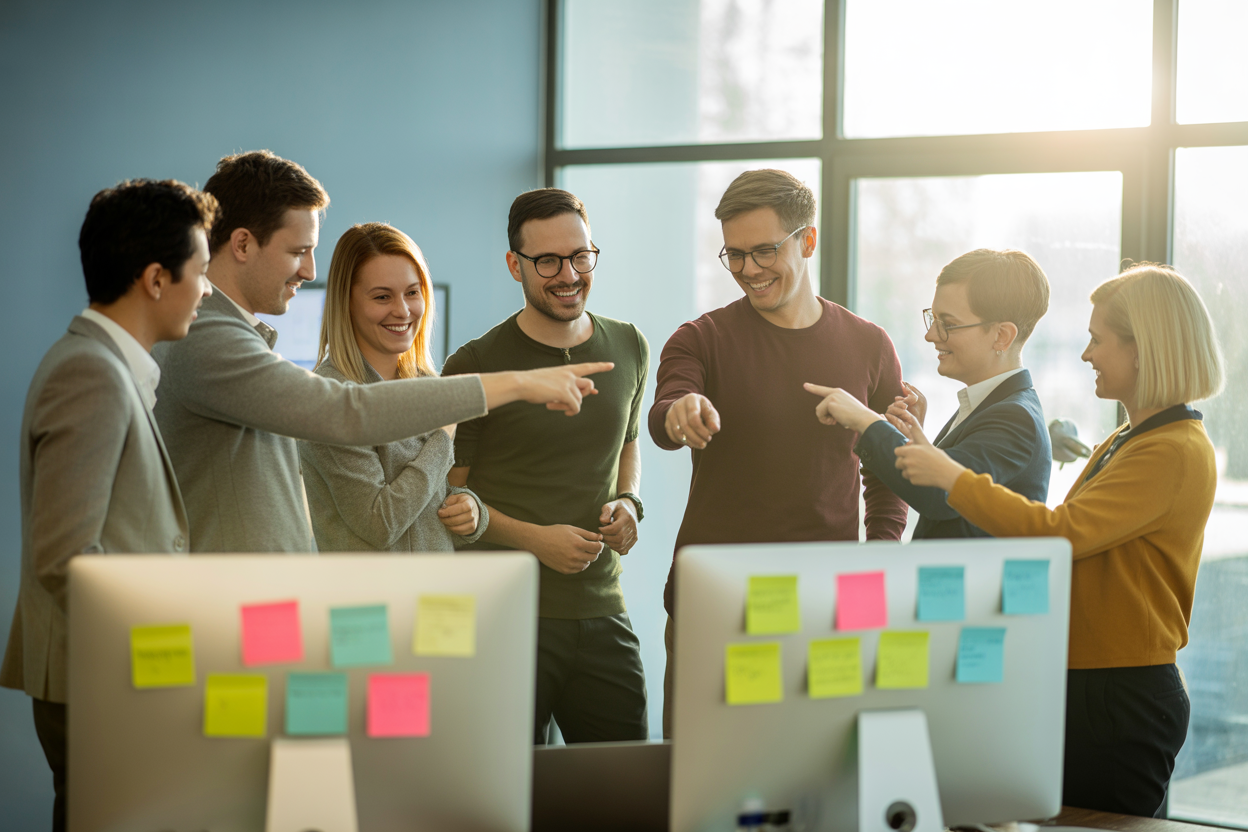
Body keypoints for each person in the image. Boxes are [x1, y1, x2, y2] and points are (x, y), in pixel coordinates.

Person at [890, 263, 1224, 817]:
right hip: (1092, 684)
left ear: (1143, 348)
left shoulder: (1171, 451)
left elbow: (1061, 536)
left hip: (1120, 693)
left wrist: (949, 476)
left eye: (1097, 340)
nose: (1087, 354)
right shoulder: (1129, 439)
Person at [153, 151, 611, 553]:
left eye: (413, 293)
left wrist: (472, 510)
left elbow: (442, 504)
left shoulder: (236, 336)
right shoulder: (210, 339)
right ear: (242, 244)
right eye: (299, 251)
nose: (310, 271)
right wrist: (514, 384)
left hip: (304, 606)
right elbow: (348, 415)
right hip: (248, 607)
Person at [649, 168, 909, 737]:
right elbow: (666, 410)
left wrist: (880, 551)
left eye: (764, 251)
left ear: (807, 241)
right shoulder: (700, 338)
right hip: (718, 600)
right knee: (702, 776)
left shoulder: (869, 344)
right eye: (734, 255)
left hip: (825, 602)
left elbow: (888, 469)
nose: (748, 270)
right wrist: (681, 411)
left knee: (818, 770)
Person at [1, 179, 216, 831]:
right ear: (156, 278)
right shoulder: (90, 372)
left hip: (105, 678)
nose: (206, 290)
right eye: (201, 272)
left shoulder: (104, 366)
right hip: (103, 682)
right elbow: (66, 558)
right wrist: (169, 655)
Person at [443, 188, 650, 744]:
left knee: (623, 790)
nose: (569, 274)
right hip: (507, 615)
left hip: (604, 608)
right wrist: (535, 539)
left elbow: (628, 443)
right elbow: (448, 501)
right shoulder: (475, 365)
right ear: (515, 265)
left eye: (581, 256)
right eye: (548, 261)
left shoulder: (629, 345)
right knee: (511, 797)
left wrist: (629, 501)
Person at [804, 248, 1053, 539]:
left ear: (1002, 336)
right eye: (933, 319)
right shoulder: (988, 406)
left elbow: (941, 493)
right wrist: (911, 439)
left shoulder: (1015, 418)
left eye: (948, 324)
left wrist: (865, 419)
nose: (931, 335)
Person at [299, 223, 488, 552]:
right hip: (369, 599)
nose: (402, 310)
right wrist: (443, 438)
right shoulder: (330, 398)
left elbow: (432, 499)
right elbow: (380, 523)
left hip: (437, 599)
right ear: (347, 302)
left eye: (412, 293)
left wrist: (472, 511)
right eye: (382, 296)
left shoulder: (428, 385)